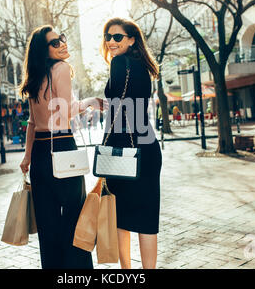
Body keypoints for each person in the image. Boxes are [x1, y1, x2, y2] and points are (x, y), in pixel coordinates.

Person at [18, 25, 104, 269]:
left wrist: (27, 157)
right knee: (75, 219)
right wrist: (89, 102)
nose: (62, 44)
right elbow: (66, 110)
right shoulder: (62, 68)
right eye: (55, 42)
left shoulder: (35, 78)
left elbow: (33, 124)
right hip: (63, 146)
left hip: (41, 156)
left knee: (48, 225)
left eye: (62, 39)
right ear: (43, 50)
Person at [100, 17, 162, 269]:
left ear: (132, 39)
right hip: (146, 148)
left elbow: (118, 107)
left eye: (117, 37)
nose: (111, 42)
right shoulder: (140, 66)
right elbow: (128, 105)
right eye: (108, 37)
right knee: (146, 220)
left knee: (121, 217)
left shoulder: (119, 63)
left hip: (123, 151)